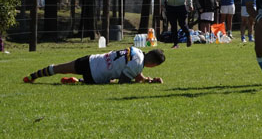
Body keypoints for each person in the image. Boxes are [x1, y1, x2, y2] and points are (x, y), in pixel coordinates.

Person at [23, 48, 165, 84]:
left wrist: (149, 80)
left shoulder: (137, 51)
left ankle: (33, 76)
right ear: (153, 64)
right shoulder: (138, 65)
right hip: (95, 76)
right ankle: (78, 81)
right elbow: (124, 81)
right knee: (112, 81)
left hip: (91, 60)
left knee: (60, 67)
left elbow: (136, 74)